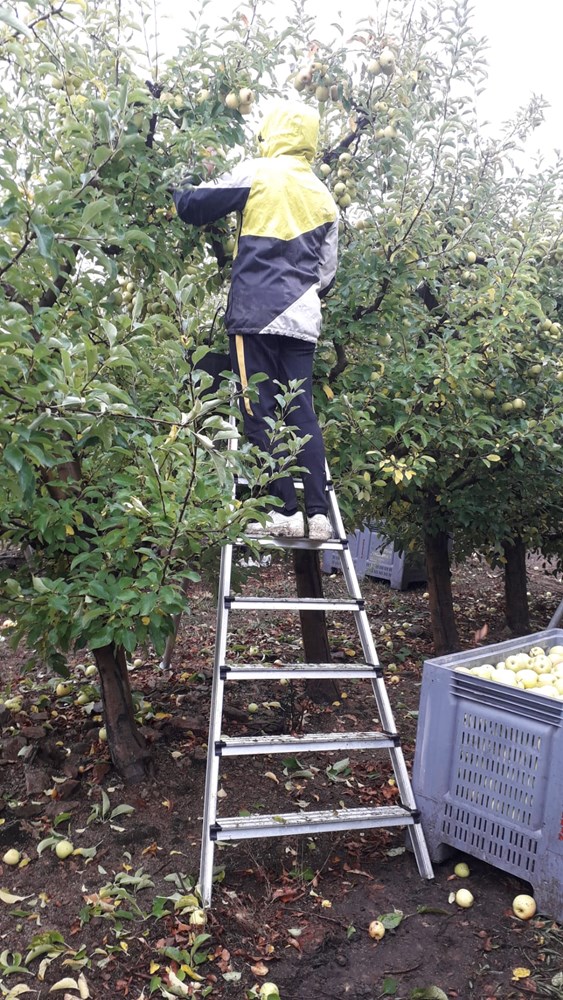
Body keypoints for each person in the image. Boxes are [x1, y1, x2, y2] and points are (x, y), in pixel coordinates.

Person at [172, 100, 338, 540]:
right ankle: (318, 513)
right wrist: (300, 294)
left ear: (272, 132)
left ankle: (284, 509)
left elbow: (195, 206)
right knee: (301, 410)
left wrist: (177, 185)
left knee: (258, 408)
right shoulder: (324, 195)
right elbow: (327, 272)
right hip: (302, 318)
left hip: (256, 314)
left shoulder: (258, 171)